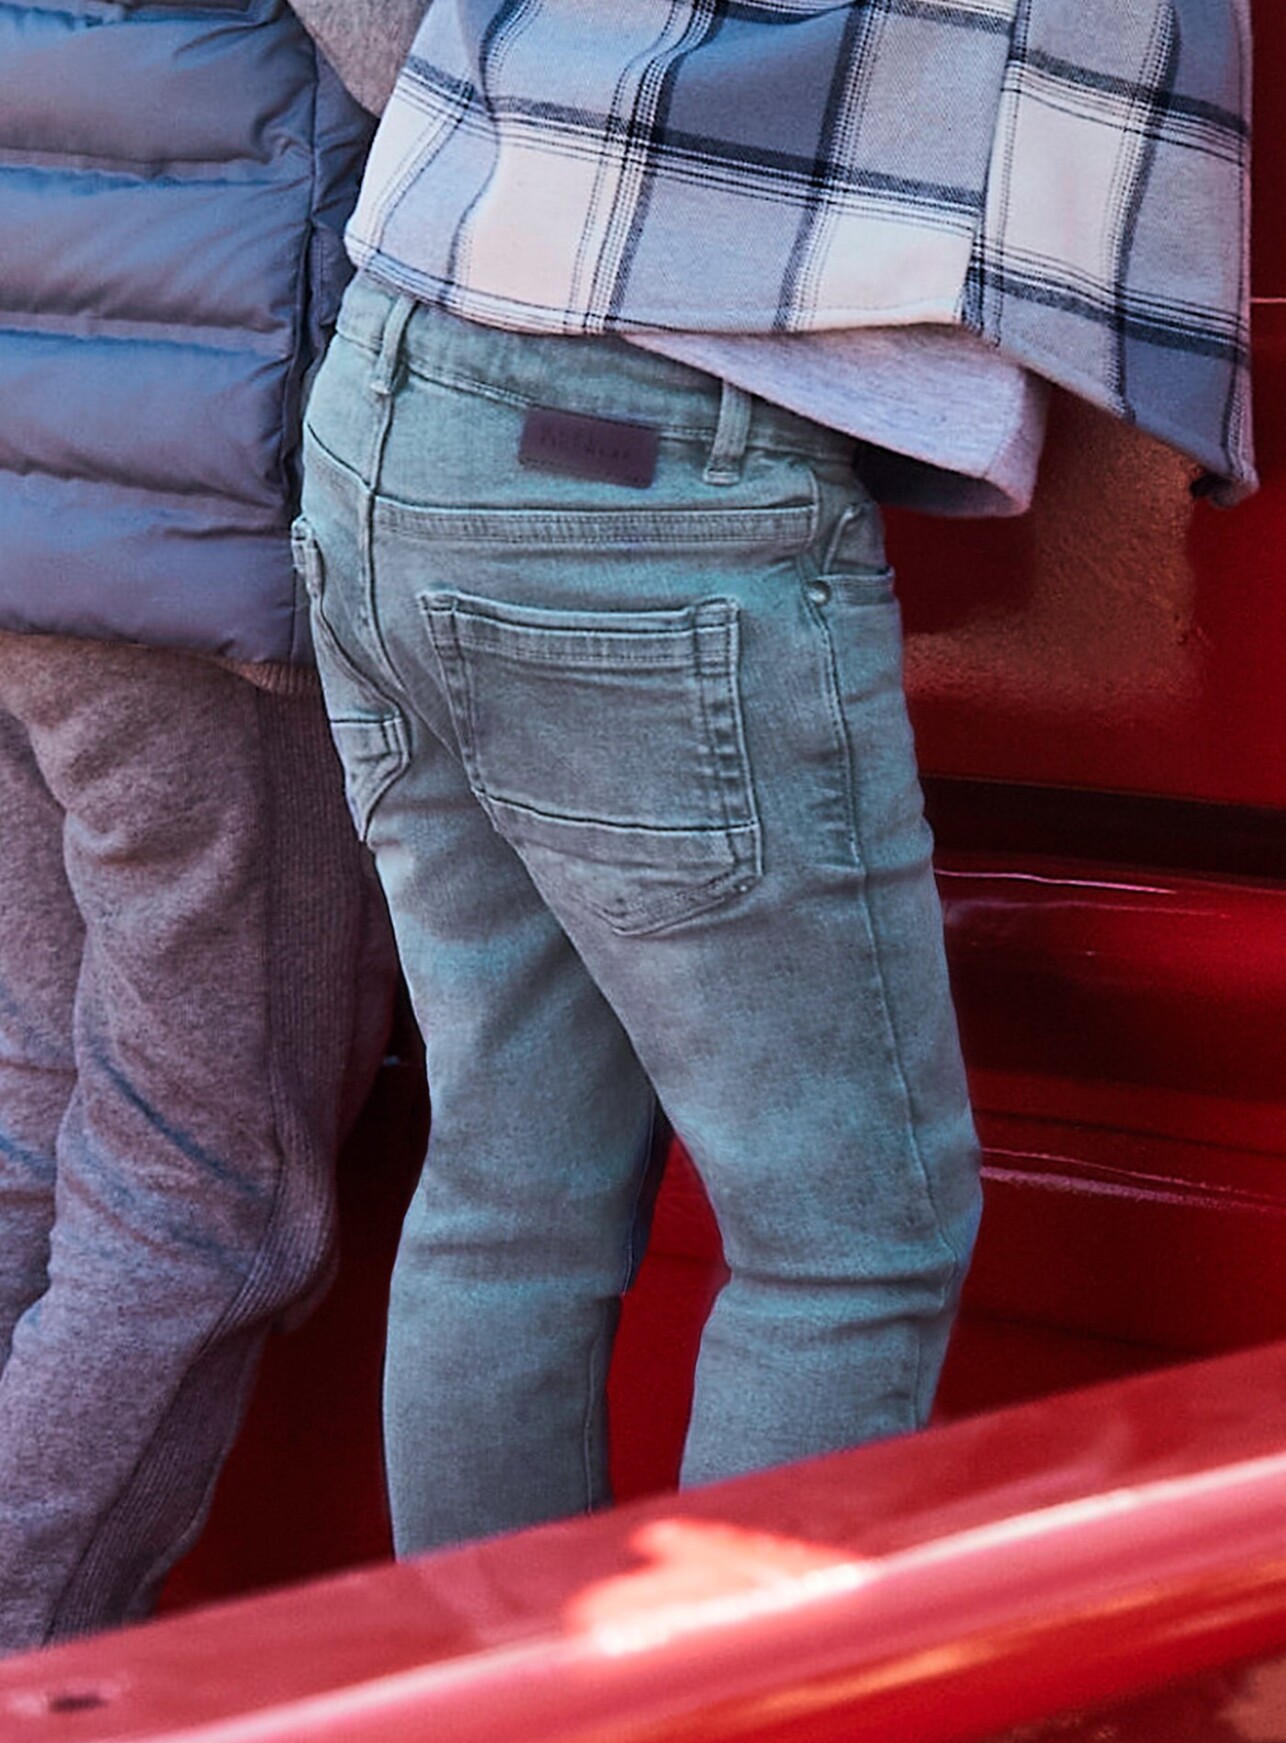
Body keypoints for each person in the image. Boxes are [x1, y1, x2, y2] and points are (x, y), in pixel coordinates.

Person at [293, 1, 1255, 1558]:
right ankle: (740, 1705)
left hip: (402, 375)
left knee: (509, 1191)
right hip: (659, 459)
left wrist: (556, 140)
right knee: (848, 1245)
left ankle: (484, 1702)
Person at [0, 0, 402, 1652]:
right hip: (193, 550)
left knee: (34, 1133)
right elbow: (454, 82)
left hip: (41, 501)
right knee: (207, 1190)